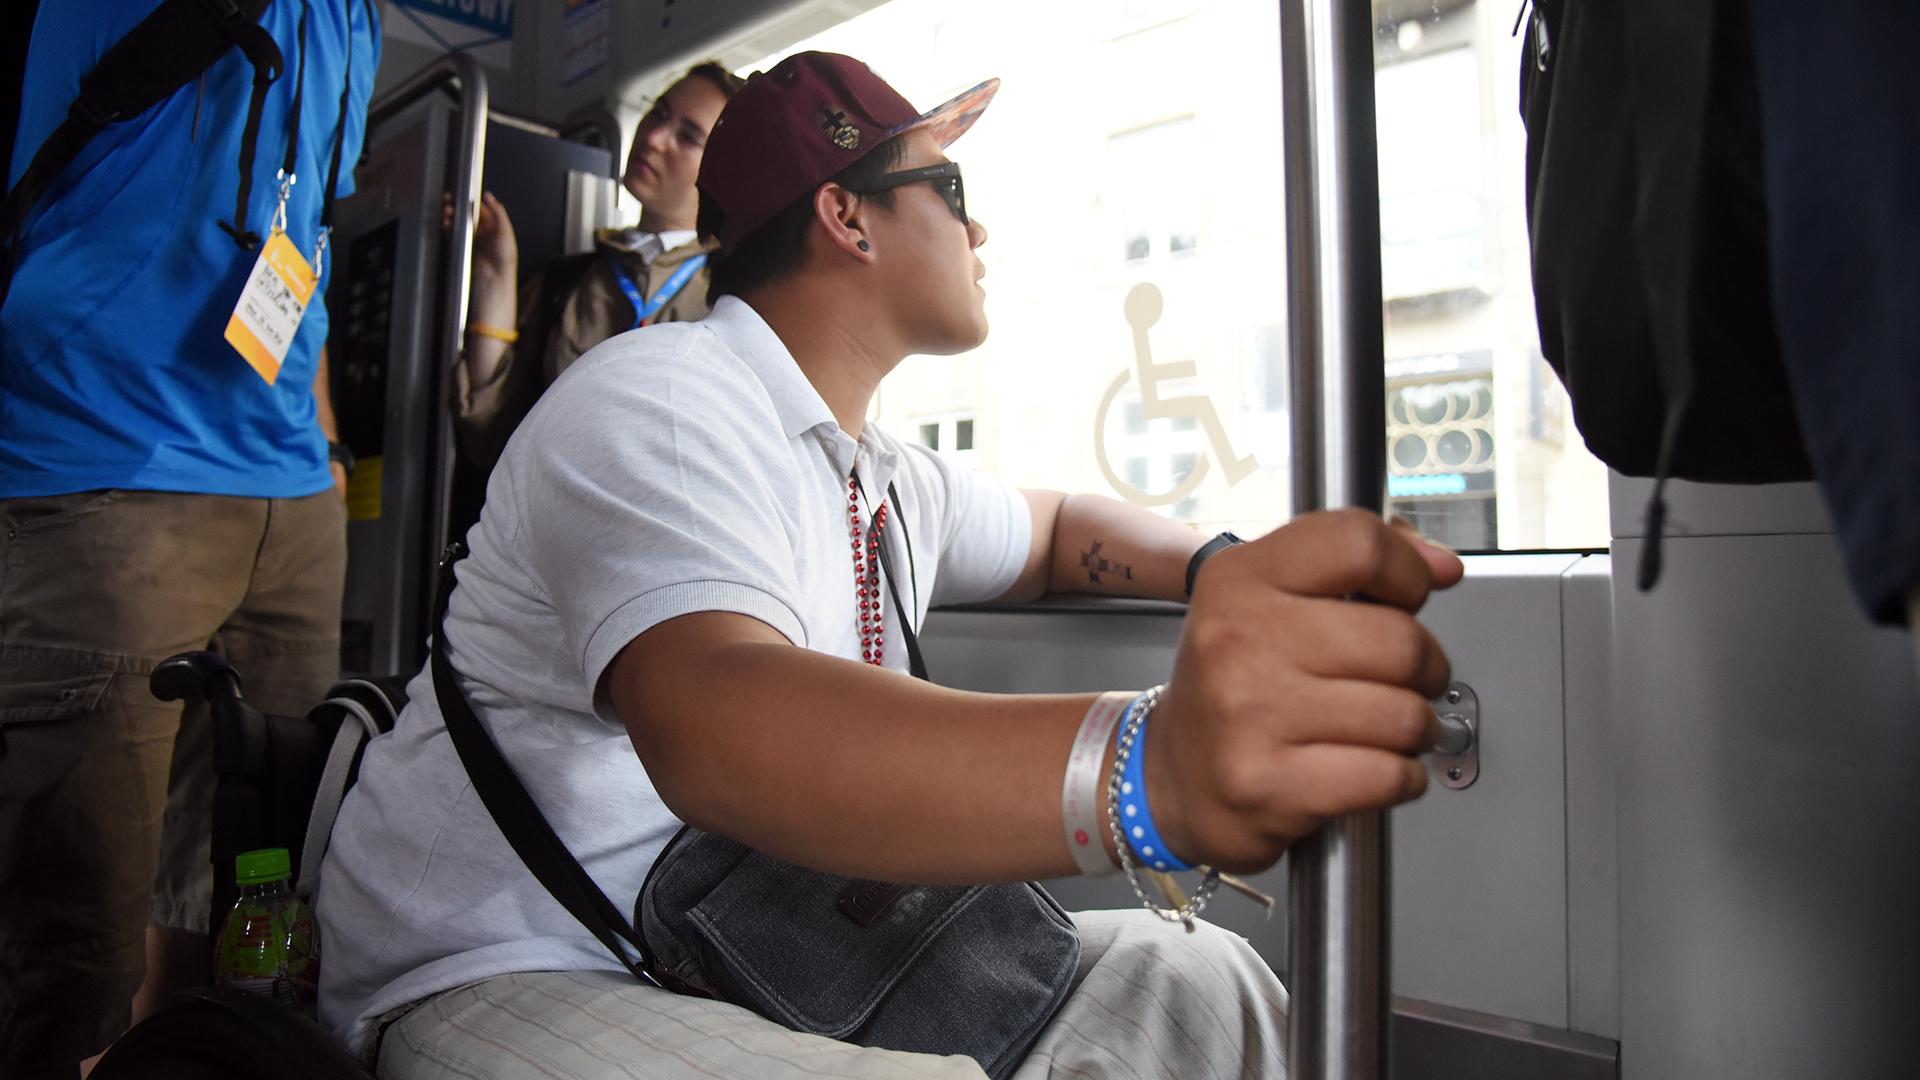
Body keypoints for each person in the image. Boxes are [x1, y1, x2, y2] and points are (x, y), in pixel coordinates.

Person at [317, 51, 1460, 1079]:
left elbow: (1060, 527)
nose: (979, 234)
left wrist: (1221, 564)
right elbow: (719, 726)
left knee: (1202, 988)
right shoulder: (656, 402)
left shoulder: (882, 475)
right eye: (949, 193)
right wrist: (1148, 771)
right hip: (515, 959)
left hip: (761, 937)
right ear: (847, 219)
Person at [0, 2, 378, 1076]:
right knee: (68, 948)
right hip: (106, 457)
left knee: (254, 910)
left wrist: (327, 453)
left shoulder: (352, 22)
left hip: (292, 491)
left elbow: (301, 226)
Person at [452, 62, 743, 476]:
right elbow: (494, 431)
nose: (655, 138)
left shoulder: (734, 294)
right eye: (658, 114)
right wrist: (496, 272)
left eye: (688, 137)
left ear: (723, 175)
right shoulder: (567, 280)